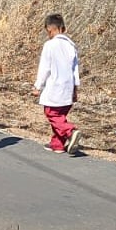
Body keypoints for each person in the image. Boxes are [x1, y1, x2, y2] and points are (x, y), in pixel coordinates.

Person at [31, 14, 82, 155]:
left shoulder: (50, 45)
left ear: (49, 30)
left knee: (51, 113)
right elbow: (75, 70)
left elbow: (44, 68)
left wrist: (38, 86)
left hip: (55, 87)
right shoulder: (71, 46)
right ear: (63, 28)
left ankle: (71, 131)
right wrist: (75, 90)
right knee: (60, 116)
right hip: (68, 87)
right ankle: (57, 144)